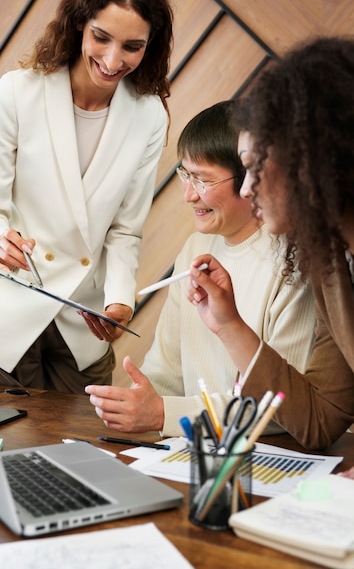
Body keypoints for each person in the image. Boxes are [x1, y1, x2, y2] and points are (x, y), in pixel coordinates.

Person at [0, 0, 173, 393]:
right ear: (78, 23)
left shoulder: (149, 117)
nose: (113, 61)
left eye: (132, 46)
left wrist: (119, 302)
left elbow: (125, 232)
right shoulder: (18, 93)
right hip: (5, 307)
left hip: (82, 319)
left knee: (86, 451)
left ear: (152, 45)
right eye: (101, 37)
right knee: (15, 454)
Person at [85, 101, 315, 436]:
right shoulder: (196, 248)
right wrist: (136, 400)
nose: (188, 195)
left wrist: (164, 413)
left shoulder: (295, 262)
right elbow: (167, 372)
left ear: (251, 177)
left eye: (202, 180)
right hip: (195, 447)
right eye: (185, 175)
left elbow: (282, 405)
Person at [188, 36, 354, 454]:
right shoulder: (332, 267)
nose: (246, 189)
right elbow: (320, 418)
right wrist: (229, 325)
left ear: (310, 157)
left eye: (251, 167)